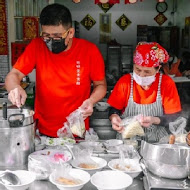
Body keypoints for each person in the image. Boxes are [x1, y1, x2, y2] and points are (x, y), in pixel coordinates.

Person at [5, 3, 107, 138]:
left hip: (77, 131)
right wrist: (15, 88)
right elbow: (14, 74)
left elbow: (100, 85)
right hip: (43, 132)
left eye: (57, 36)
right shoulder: (37, 46)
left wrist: (91, 101)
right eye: (46, 35)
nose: (51, 41)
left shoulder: (89, 51)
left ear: (70, 32)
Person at [107, 42, 182, 142]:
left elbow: (173, 117)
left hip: (157, 141)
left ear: (158, 69)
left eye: (147, 72)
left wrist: (153, 120)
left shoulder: (166, 83)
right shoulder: (125, 82)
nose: (141, 75)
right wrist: (114, 117)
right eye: (138, 69)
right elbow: (114, 109)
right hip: (128, 139)